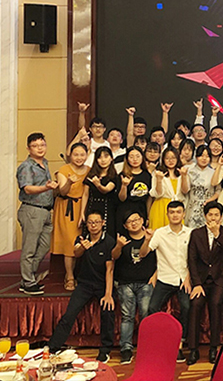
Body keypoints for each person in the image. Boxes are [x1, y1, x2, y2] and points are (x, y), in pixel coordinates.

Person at [48, 211, 115, 363]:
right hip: (84, 284)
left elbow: (110, 270)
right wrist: (83, 247)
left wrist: (108, 293)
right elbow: (76, 253)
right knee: (69, 314)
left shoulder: (109, 242)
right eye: (90, 222)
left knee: (108, 312)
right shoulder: (81, 238)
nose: (93, 225)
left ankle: (105, 350)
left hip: (102, 284)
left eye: (96, 222)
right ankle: (53, 347)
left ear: (103, 223)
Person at [142, 201, 192, 363]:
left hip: (184, 279)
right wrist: (146, 240)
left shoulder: (191, 233)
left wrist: (189, 278)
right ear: (167, 215)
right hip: (165, 278)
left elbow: (194, 259)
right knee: (152, 308)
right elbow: (143, 254)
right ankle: (159, 341)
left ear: (184, 214)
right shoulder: (160, 233)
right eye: (172, 212)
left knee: (186, 307)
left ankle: (180, 343)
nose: (175, 215)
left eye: (178, 212)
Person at [186, 201, 223, 365]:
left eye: (216, 215)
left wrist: (216, 234)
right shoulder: (196, 233)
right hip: (200, 280)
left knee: (215, 304)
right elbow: (192, 259)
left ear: (221, 217)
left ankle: (214, 348)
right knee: (195, 304)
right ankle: (193, 349)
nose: (213, 218)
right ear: (205, 216)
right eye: (210, 215)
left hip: (218, 279)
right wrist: (197, 283)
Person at [111, 211, 157, 365]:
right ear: (125, 226)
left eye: (136, 219)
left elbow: (161, 258)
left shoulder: (152, 237)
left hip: (146, 282)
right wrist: (119, 245)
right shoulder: (122, 239)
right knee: (127, 316)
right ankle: (126, 349)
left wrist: (155, 275)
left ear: (143, 220)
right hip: (125, 283)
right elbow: (114, 256)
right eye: (130, 221)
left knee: (146, 314)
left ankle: (148, 347)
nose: (134, 223)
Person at [17, 132, 56, 295]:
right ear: (28, 148)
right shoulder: (27, 166)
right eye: (35, 146)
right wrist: (46, 187)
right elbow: (27, 188)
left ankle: (29, 276)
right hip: (32, 209)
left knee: (45, 245)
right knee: (30, 248)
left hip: (45, 211)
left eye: (42, 145)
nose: (39, 148)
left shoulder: (44, 163)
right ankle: (28, 281)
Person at [51, 142, 90, 290]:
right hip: (67, 209)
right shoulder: (64, 170)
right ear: (70, 155)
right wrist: (69, 182)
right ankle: (69, 276)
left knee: (82, 242)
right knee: (70, 243)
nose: (79, 158)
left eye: (82, 154)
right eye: (76, 154)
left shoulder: (90, 170)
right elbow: (62, 191)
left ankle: (81, 275)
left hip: (83, 207)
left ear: (87, 155)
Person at [82, 146, 118, 238]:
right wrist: (82, 212)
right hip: (92, 207)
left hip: (107, 209)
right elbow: (85, 194)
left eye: (106, 156)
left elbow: (106, 190)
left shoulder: (114, 176)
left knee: (107, 235)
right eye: (99, 157)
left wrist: (98, 185)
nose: (103, 160)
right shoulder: (91, 174)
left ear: (111, 158)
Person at [180, 145, 219, 229]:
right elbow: (185, 190)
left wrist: (210, 200)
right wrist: (183, 176)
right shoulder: (190, 171)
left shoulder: (213, 172)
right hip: (192, 207)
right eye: (201, 156)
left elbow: (218, 191)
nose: (204, 158)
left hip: (208, 208)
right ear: (196, 157)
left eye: (207, 156)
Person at [117, 147, 152, 235]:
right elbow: (121, 199)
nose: (135, 159)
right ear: (127, 159)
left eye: (137, 156)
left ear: (142, 157)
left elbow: (149, 198)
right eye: (131, 157)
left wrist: (148, 216)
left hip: (141, 211)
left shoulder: (147, 175)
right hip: (125, 211)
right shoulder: (123, 175)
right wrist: (124, 186)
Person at [149, 147, 182, 229]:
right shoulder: (158, 173)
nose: (170, 161)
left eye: (173, 158)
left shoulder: (182, 173)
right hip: (161, 207)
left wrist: (184, 176)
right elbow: (158, 194)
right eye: (167, 158)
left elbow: (186, 191)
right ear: (163, 159)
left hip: (177, 207)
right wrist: (159, 180)